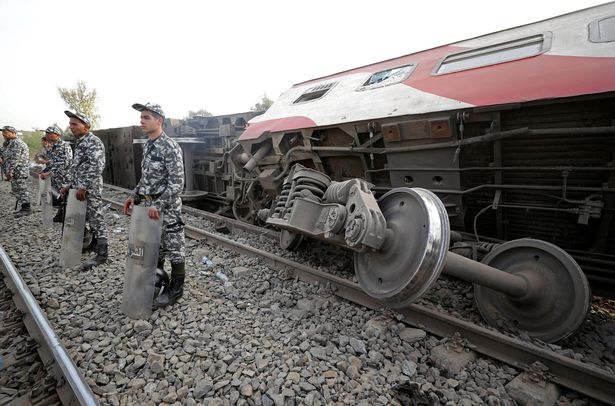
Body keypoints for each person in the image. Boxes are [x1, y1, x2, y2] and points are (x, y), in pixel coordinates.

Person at [123, 103, 186, 308]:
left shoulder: (170, 147)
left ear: (159, 121)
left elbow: (177, 183)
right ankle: (155, 283)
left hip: (167, 208)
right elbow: (147, 177)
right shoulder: (148, 145)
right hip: (149, 207)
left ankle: (176, 290)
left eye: (146, 117)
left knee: (174, 248)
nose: (141, 120)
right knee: (154, 248)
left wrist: (158, 204)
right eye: (141, 117)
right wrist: (135, 195)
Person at [60, 111, 108, 267]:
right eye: (70, 123)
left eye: (75, 124)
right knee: (84, 217)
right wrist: (69, 185)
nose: (71, 126)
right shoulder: (81, 142)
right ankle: (92, 245)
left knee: (96, 219)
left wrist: (84, 186)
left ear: (86, 126)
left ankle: (102, 254)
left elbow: (96, 166)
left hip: (89, 189)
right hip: (79, 187)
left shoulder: (93, 141)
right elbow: (78, 167)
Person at [39, 125, 73, 222]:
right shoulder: (53, 147)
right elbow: (52, 162)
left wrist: (49, 173)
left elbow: (66, 163)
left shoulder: (64, 146)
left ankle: (69, 217)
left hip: (64, 177)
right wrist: (44, 171)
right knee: (60, 196)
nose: (47, 135)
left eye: (49, 133)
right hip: (56, 177)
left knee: (66, 196)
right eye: (46, 133)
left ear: (57, 135)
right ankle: (61, 215)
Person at [1, 125, 32, 217]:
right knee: (16, 190)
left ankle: (26, 208)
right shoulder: (10, 143)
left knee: (22, 190)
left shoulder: (16, 143)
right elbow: (6, 154)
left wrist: (9, 171)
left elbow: (14, 158)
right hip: (16, 171)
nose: (3, 134)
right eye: (3, 132)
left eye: (6, 132)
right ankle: (23, 207)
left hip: (19, 171)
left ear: (13, 133)